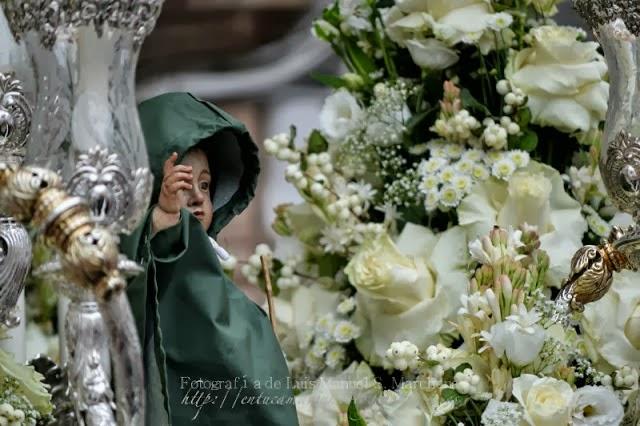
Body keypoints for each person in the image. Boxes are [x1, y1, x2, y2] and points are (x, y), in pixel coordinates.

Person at [120, 92, 298, 425]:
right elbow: (151, 263)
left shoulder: (208, 260)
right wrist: (165, 218)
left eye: (205, 185)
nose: (198, 199)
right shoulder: (159, 248)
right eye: (182, 185)